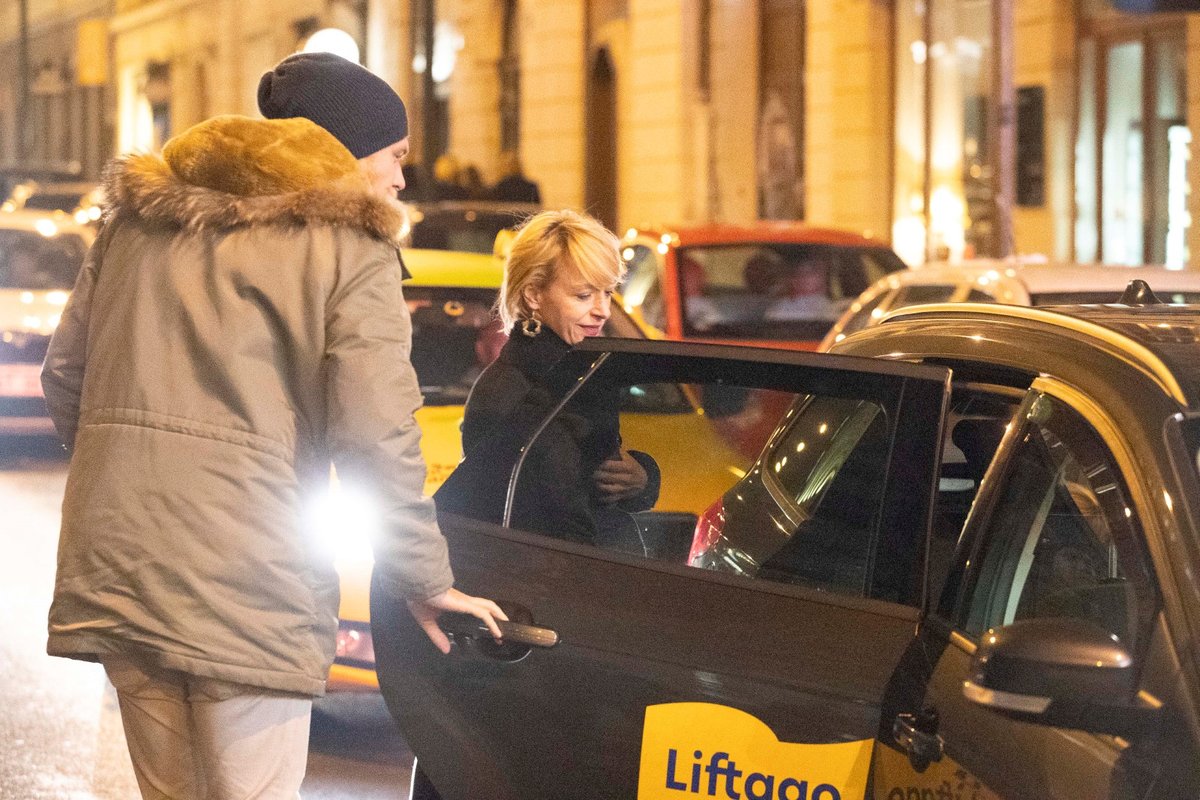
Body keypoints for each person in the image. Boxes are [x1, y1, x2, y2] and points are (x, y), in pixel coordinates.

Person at [40, 51, 503, 800]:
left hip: (121, 560)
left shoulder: (138, 223)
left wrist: (125, 476)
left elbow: (66, 376)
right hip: (248, 580)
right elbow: (376, 433)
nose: (400, 179)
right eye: (394, 156)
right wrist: (424, 579)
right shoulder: (350, 247)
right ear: (345, 151)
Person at [435, 209, 659, 549]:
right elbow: (556, 517)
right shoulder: (512, 390)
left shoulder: (581, 373)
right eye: (583, 295)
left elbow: (590, 489)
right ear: (534, 295)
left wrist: (640, 479)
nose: (602, 310)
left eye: (607, 292)